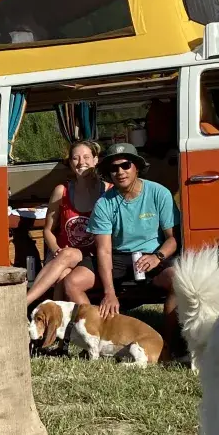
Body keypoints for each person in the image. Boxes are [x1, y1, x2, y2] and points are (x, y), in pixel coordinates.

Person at [62, 143, 181, 349]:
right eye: (114, 168)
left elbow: (173, 239)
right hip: (117, 256)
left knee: (179, 279)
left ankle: (168, 343)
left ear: (136, 167)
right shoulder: (103, 203)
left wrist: (157, 257)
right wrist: (109, 292)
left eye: (125, 165)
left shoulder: (159, 193)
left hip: (152, 255)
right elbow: (104, 250)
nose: (120, 172)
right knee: (72, 282)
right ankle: (100, 337)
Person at [24, 138, 108, 305]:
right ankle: (62, 326)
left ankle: (25, 304)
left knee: (67, 265)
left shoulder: (107, 191)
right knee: (64, 270)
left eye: (86, 157)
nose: (81, 162)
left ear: (96, 160)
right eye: (75, 158)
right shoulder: (61, 191)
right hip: (63, 254)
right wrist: (55, 249)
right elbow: (47, 230)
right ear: (70, 162)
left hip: (93, 257)